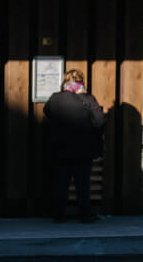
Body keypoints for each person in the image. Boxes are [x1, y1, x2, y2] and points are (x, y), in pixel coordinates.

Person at [45, 69, 105, 223]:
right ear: (81, 82)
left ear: (65, 81)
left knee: (61, 183)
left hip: (60, 149)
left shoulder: (55, 99)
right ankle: (85, 216)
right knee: (82, 184)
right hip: (83, 150)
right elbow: (99, 121)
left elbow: (47, 113)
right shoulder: (87, 99)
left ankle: (58, 215)